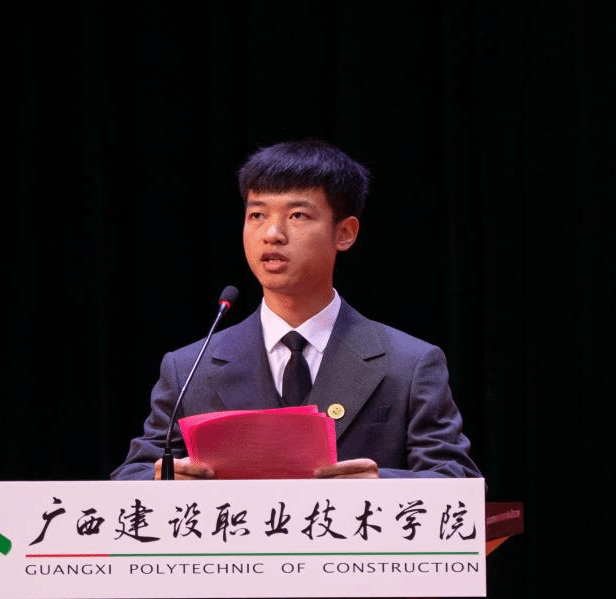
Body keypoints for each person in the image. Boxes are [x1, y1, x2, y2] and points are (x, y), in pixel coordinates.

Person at [111, 139, 480, 482]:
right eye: (257, 215)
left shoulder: (409, 364)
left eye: (298, 215)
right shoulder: (191, 368)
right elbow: (132, 476)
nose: (272, 233)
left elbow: (456, 479)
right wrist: (167, 482)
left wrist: (381, 485)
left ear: (345, 233)